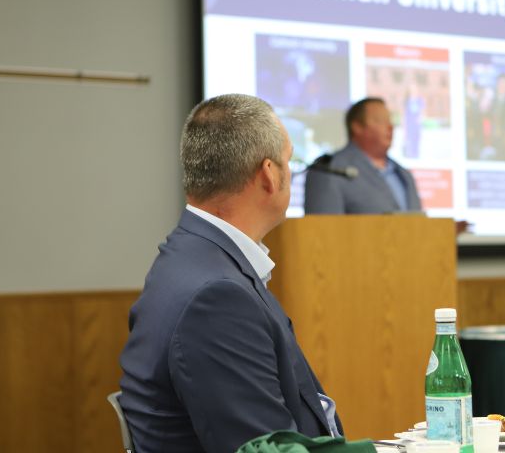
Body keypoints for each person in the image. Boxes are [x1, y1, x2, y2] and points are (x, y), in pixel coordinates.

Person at [119, 94, 343, 453]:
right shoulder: (216, 297)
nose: (289, 172)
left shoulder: (191, 256)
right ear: (269, 175)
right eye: (288, 161)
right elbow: (264, 447)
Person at [304, 97, 422, 215]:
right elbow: (322, 225)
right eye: (380, 120)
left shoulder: (404, 174)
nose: (390, 127)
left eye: (390, 120)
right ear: (357, 127)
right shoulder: (329, 170)